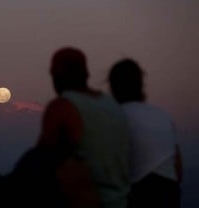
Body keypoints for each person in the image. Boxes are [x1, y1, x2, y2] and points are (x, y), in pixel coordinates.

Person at [13, 47, 130, 208]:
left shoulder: (63, 106)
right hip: (121, 201)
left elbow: (39, 160)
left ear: (56, 76)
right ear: (86, 74)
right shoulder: (112, 105)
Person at [108, 59, 183, 208]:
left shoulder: (116, 117)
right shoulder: (163, 116)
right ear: (141, 85)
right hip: (169, 193)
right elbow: (178, 167)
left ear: (114, 88)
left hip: (138, 195)